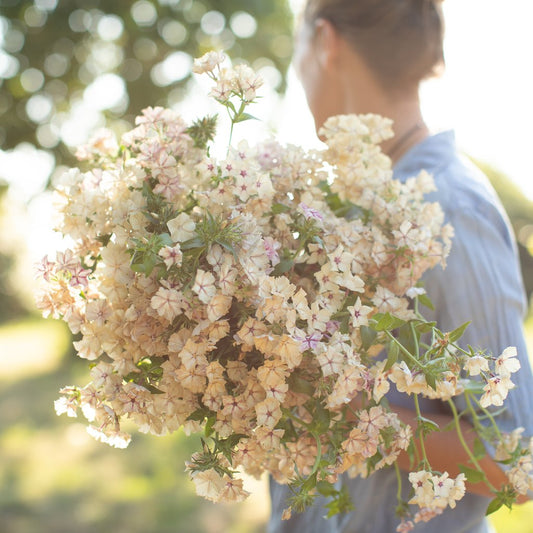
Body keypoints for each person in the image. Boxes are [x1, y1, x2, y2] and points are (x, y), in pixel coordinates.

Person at [268, 0, 533, 531]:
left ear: (326, 43)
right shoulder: (346, 208)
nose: (298, 76)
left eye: (296, 52)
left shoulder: (451, 209)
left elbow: (517, 459)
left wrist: (350, 422)